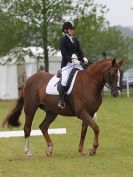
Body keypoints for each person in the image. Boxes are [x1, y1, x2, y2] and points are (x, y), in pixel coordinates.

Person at [58, 21, 88, 109]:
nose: (73, 31)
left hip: (76, 64)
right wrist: (71, 59)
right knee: (64, 80)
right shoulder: (63, 40)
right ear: (66, 30)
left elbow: (79, 51)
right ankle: (61, 100)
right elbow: (64, 53)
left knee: (85, 76)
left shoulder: (75, 40)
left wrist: (83, 58)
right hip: (67, 64)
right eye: (71, 29)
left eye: (73, 29)